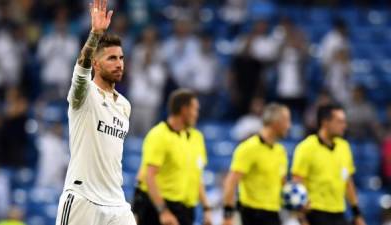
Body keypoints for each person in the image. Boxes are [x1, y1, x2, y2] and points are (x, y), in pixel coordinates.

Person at [55, 1, 136, 225]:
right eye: (112, 58)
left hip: (116, 203)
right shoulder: (85, 94)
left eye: (121, 58)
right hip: (83, 198)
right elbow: (81, 68)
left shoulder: (124, 105)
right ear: (96, 64)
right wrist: (94, 35)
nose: (119, 64)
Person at [133, 89, 212, 225]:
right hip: (157, 206)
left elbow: (197, 176)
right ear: (184, 110)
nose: (196, 114)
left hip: (185, 210)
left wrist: (206, 208)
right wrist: (162, 210)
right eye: (195, 110)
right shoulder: (158, 135)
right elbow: (149, 176)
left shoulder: (196, 137)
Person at [291, 104, 366, 225]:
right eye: (339, 122)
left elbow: (348, 182)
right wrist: (301, 218)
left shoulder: (344, 147)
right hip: (315, 213)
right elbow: (297, 183)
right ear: (325, 122)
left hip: (338, 211)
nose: (344, 126)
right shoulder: (306, 147)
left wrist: (357, 214)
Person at [223, 103, 291, 225]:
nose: (289, 126)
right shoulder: (248, 148)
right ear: (275, 122)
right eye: (286, 121)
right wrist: (228, 215)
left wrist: (297, 203)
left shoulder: (281, 151)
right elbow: (231, 182)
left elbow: (282, 183)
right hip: (252, 215)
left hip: (274, 214)